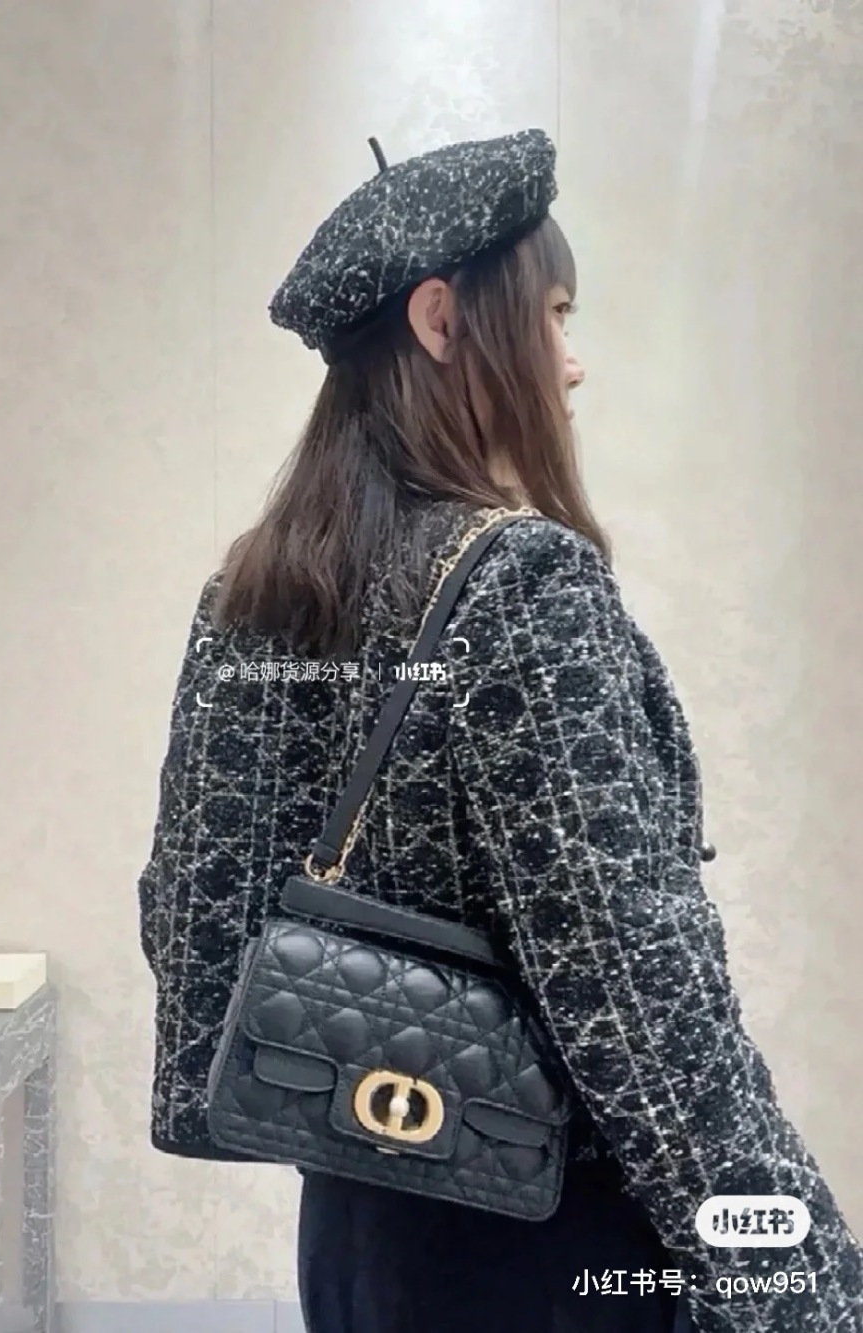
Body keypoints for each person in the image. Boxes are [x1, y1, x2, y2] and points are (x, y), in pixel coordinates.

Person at [137, 128, 863, 1332]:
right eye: (556, 316)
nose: (573, 365)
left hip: (358, 1220)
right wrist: (796, 1280)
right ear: (440, 318)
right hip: (540, 1243)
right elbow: (640, 1005)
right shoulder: (520, 585)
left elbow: (193, 905)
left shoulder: (254, 592)